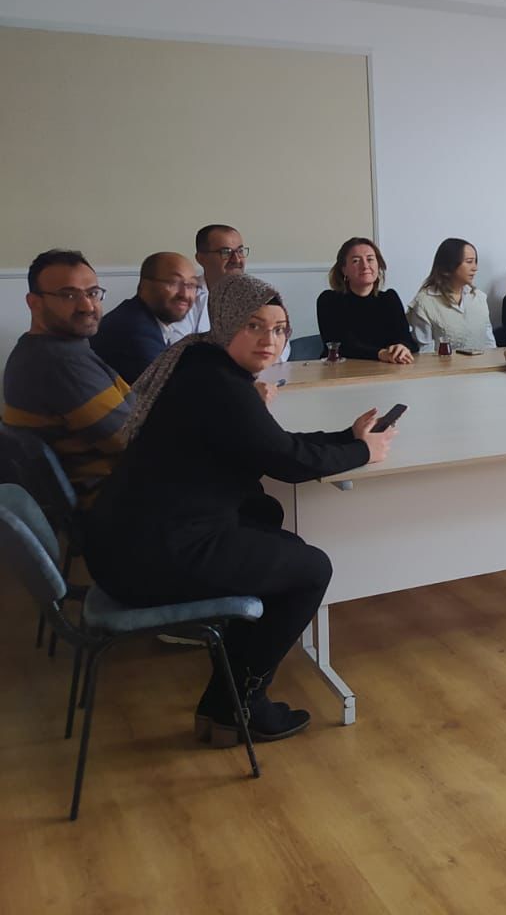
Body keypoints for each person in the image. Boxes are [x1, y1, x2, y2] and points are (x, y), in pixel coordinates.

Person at [82, 273, 396, 745]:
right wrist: (361, 452)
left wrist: (347, 439)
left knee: (275, 533)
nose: (269, 339)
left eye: (279, 329)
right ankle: (241, 706)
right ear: (227, 322)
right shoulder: (219, 384)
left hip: (131, 542)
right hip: (150, 556)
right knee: (310, 569)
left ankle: (224, 702)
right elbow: (285, 461)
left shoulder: (203, 365)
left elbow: (271, 444)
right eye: (254, 325)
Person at [2, 250, 132, 508]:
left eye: (93, 293)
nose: (87, 306)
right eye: (68, 295)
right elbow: (131, 439)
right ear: (34, 302)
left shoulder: (44, 349)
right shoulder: (60, 362)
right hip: (115, 502)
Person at [175, 224, 290, 362]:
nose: (236, 259)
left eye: (240, 251)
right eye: (226, 252)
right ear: (201, 258)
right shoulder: (186, 297)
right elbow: (179, 350)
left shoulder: (260, 295)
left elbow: (281, 351)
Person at [90, 251, 200, 383]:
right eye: (173, 282)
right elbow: (169, 389)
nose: (184, 294)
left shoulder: (137, 315)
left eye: (191, 285)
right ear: (144, 285)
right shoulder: (136, 331)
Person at [315, 237, 417, 363]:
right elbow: (340, 345)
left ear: (378, 265)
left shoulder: (389, 298)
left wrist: (402, 347)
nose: (365, 266)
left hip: (386, 369)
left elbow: (406, 339)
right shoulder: (329, 300)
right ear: (344, 269)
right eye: (356, 261)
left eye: (370, 259)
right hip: (341, 370)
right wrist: (380, 354)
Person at [407, 237, 494, 353]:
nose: (475, 268)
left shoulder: (479, 298)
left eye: (475, 262)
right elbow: (424, 351)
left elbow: (489, 342)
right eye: (469, 262)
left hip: (483, 363)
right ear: (449, 265)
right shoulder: (424, 302)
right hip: (442, 364)